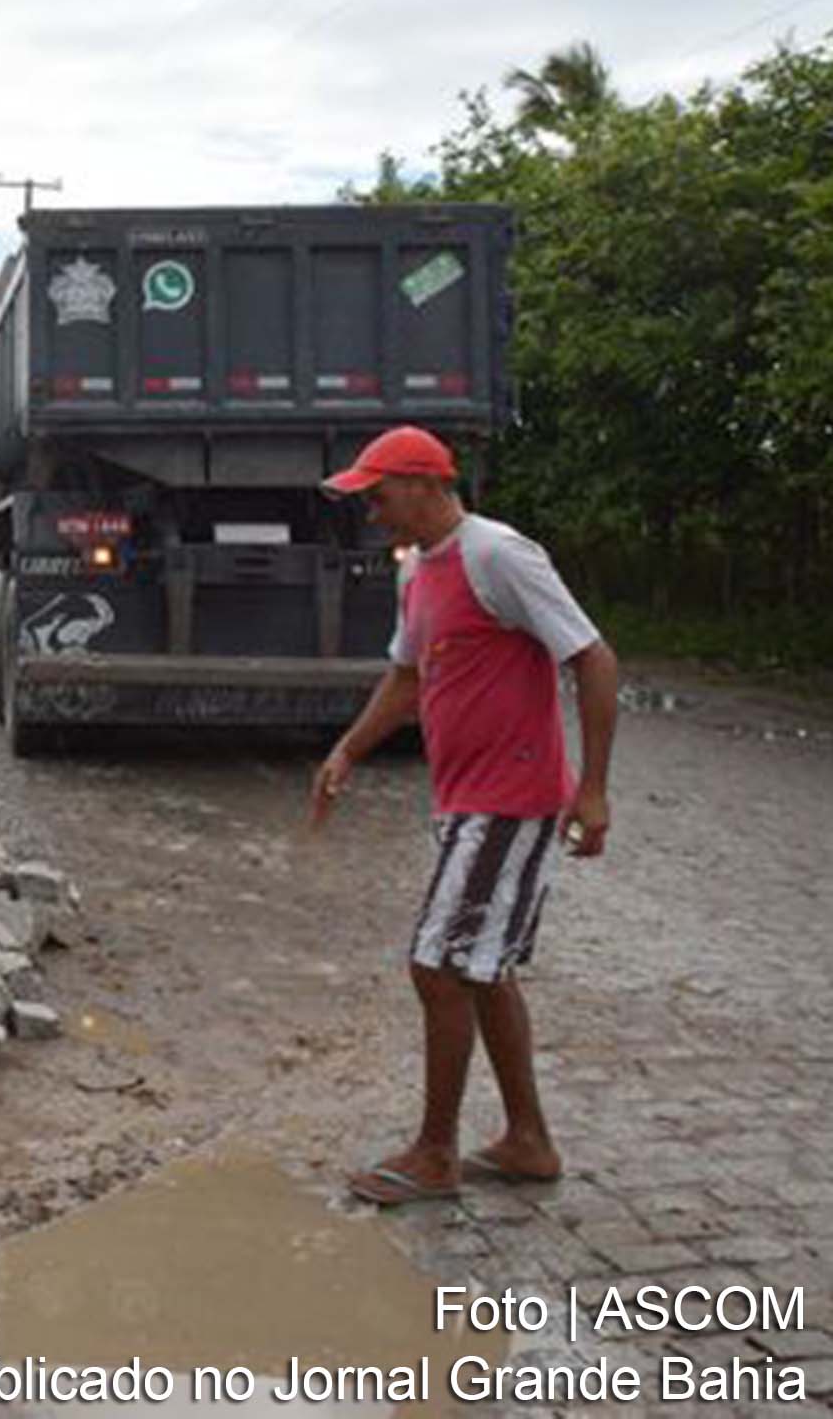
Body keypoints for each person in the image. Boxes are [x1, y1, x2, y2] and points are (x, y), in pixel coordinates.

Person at [309, 425, 618, 1206]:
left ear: (423, 483)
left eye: (378, 496)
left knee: (437, 962)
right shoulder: (420, 572)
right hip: (463, 800)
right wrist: (347, 750)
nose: (372, 513)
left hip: (512, 800)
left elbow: (593, 657)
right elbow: (408, 678)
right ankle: (528, 1143)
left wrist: (594, 790)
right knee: (482, 970)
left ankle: (436, 1152)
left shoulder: (499, 555)